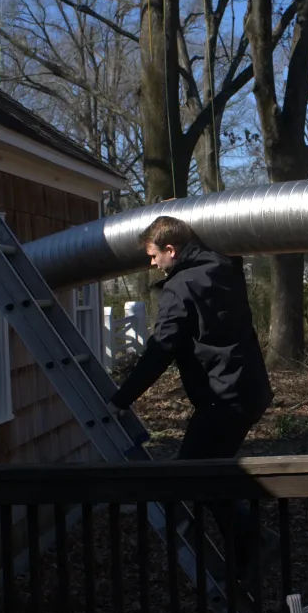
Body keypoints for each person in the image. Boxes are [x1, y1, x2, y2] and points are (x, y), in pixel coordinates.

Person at [104, 215, 276, 579]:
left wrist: (123, 398)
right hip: (251, 390)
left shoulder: (179, 287)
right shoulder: (225, 265)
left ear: (171, 250)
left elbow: (161, 349)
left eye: (154, 256)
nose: (152, 264)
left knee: (193, 475)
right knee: (210, 469)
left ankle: (251, 547)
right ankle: (248, 546)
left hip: (223, 396)